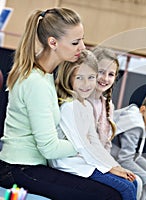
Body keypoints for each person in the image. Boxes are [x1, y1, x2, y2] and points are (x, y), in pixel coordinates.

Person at [0, 8, 122, 200]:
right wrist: (84, 144)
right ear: (53, 42)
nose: (82, 47)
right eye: (75, 42)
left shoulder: (46, 75)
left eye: (82, 39)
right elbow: (49, 147)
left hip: (30, 165)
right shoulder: (36, 83)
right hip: (19, 168)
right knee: (109, 196)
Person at [49, 49, 137, 200]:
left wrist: (114, 166)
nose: (86, 84)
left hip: (87, 161)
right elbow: (82, 145)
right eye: (80, 78)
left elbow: (95, 142)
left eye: (90, 78)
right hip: (72, 163)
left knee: (132, 184)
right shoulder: (70, 106)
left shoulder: (86, 106)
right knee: (126, 187)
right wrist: (109, 168)